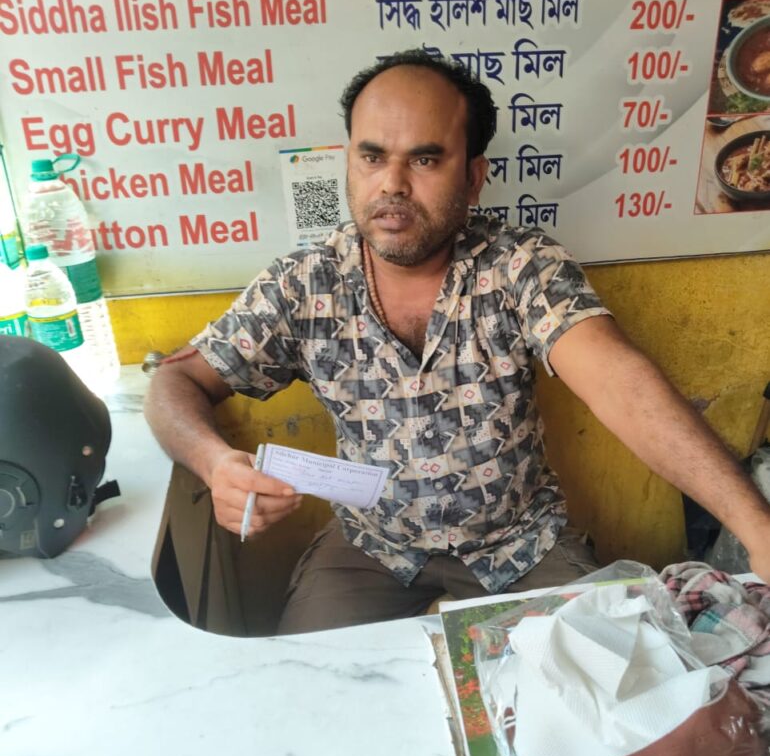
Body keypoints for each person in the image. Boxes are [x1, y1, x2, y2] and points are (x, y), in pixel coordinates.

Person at [145, 50, 770, 633]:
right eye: (371, 157)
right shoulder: (305, 284)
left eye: (424, 160)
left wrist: (755, 525)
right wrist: (214, 462)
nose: (392, 184)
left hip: (518, 545)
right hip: (372, 547)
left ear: (472, 178)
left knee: (601, 682)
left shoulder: (520, 265)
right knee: (312, 693)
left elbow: (618, 382)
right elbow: (175, 381)